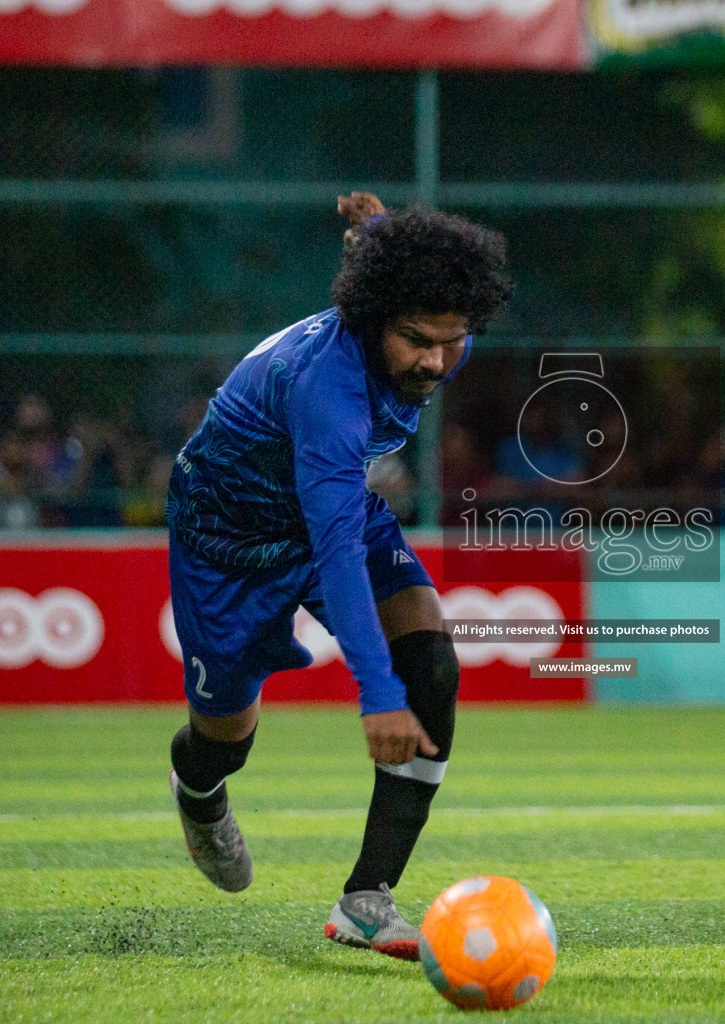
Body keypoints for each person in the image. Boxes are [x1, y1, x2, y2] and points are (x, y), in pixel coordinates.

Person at [162, 191, 512, 960]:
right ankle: (198, 789)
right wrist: (376, 697)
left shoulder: (436, 331)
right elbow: (335, 552)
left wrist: (379, 234)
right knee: (225, 741)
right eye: (417, 340)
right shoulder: (330, 391)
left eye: (451, 343)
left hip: (328, 510)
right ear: (373, 318)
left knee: (434, 670)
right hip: (227, 542)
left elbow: (342, 524)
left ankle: (366, 900)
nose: (434, 360)